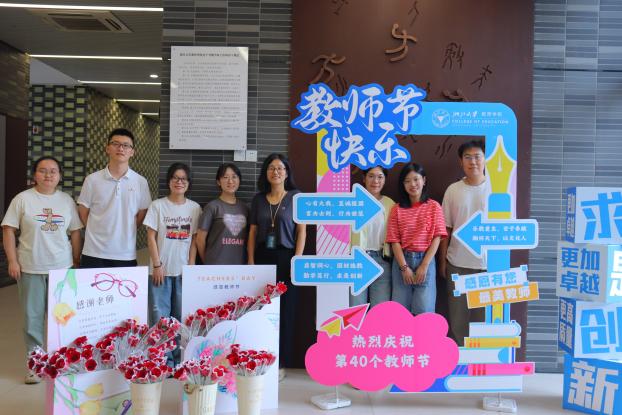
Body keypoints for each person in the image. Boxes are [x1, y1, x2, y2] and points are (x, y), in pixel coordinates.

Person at [1, 156, 83, 384]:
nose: (48, 175)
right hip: (31, 267)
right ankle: (35, 365)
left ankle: (62, 362)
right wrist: (12, 260)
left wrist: (76, 260)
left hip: (62, 268)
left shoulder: (66, 200)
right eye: (43, 170)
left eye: (53, 171)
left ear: (60, 175)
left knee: (63, 319)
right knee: (33, 319)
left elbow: (75, 232)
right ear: (34, 175)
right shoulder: (22, 199)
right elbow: (8, 230)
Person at [247, 153, 306, 375]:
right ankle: (261, 361)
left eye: (280, 168)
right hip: (262, 256)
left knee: (286, 312)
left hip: (286, 257)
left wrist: (297, 260)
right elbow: (252, 232)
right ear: (266, 173)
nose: (276, 172)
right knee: (261, 311)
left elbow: (302, 231)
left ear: (287, 173)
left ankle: (281, 363)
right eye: (271, 168)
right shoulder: (258, 199)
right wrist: (251, 260)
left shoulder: (296, 197)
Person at [143, 163, 201, 364]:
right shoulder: (157, 206)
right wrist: (157, 265)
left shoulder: (194, 208)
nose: (179, 182)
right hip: (160, 272)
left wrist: (190, 267)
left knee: (181, 318)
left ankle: (178, 361)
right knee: (160, 319)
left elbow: (194, 240)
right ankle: (162, 362)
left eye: (183, 179)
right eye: (175, 178)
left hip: (183, 272)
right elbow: (151, 237)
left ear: (188, 183)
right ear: (169, 181)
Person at [439, 140, 490, 346]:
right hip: (457, 263)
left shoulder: (497, 189)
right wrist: (442, 262)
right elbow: (446, 229)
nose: (473, 162)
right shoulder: (453, 190)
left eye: (477, 156)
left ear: (485, 159)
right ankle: (461, 356)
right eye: (467, 157)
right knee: (458, 319)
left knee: (484, 318)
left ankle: (481, 359)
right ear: (461, 162)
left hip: (487, 265)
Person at [78, 128, 151, 268]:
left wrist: (125, 228)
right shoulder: (92, 180)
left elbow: (142, 214)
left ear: (132, 152)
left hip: (125, 253)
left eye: (126, 145)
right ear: (107, 148)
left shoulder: (140, 182)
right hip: (94, 251)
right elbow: (83, 211)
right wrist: (97, 229)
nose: (121, 148)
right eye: (115, 144)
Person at [386, 163, 447, 315]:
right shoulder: (396, 209)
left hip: (426, 260)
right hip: (402, 261)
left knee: (424, 311)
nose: (412, 184)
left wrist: (424, 265)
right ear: (403, 185)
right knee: (400, 312)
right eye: (407, 181)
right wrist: (404, 268)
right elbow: (394, 241)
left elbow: (437, 237)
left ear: (424, 180)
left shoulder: (434, 207)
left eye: (416, 179)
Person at [350, 167, 395, 308]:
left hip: (382, 260)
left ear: (385, 180)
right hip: (358, 260)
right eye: (371, 176)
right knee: (356, 308)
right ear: (364, 178)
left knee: (379, 310)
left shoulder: (390, 204)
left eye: (380, 177)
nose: (375, 181)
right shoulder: (353, 202)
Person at [197, 163, 249, 265]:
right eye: (225, 177)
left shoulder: (245, 208)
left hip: (240, 266)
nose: (230, 181)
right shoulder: (212, 207)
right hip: (215, 265)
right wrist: (207, 262)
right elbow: (200, 239)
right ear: (218, 182)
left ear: (239, 180)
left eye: (234, 177)